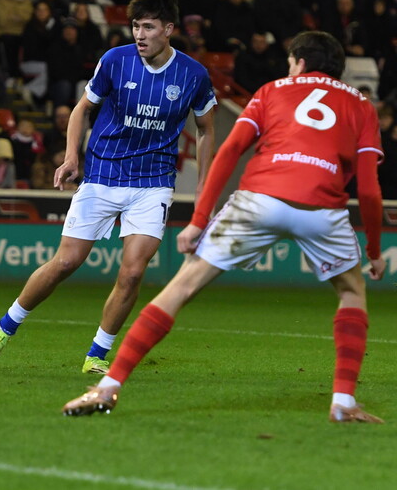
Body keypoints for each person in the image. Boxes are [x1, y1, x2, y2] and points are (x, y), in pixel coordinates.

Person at [62, 31, 386, 424]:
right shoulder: (362, 105)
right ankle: (343, 401)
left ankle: (108, 387)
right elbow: (369, 191)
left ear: (299, 62)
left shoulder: (271, 91)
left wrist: (200, 221)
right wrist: (373, 250)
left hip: (260, 198)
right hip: (323, 207)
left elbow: (230, 151)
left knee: (181, 287)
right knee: (352, 292)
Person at [0, 0, 217, 375]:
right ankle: (5, 327)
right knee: (67, 261)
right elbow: (82, 108)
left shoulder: (193, 74)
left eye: (148, 27)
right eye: (136, 26)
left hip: (153, 182)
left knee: (134, 271)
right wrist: (72, 157)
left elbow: (205, 129)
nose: (139, 34)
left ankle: (97, 356)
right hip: (102, 174)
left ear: (168, 30)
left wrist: (204, 184)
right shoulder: (115, 61)